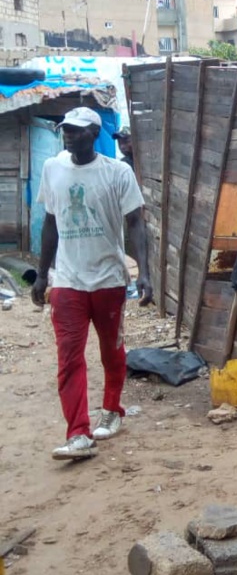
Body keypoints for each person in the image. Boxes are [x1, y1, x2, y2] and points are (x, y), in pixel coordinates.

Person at [31, 107, 153, 462]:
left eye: (78, 130)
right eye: (66, 129)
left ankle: (112, 409)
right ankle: (78, 434)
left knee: (111, 351)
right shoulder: (52, 168)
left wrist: (143, 272)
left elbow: (136, 223)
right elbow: (50, 223)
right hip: (69, 280)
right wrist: (42, 274)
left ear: (94, 133)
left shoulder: (117, 173)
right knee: (69, 357)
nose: (69, 135)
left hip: (109, 279)